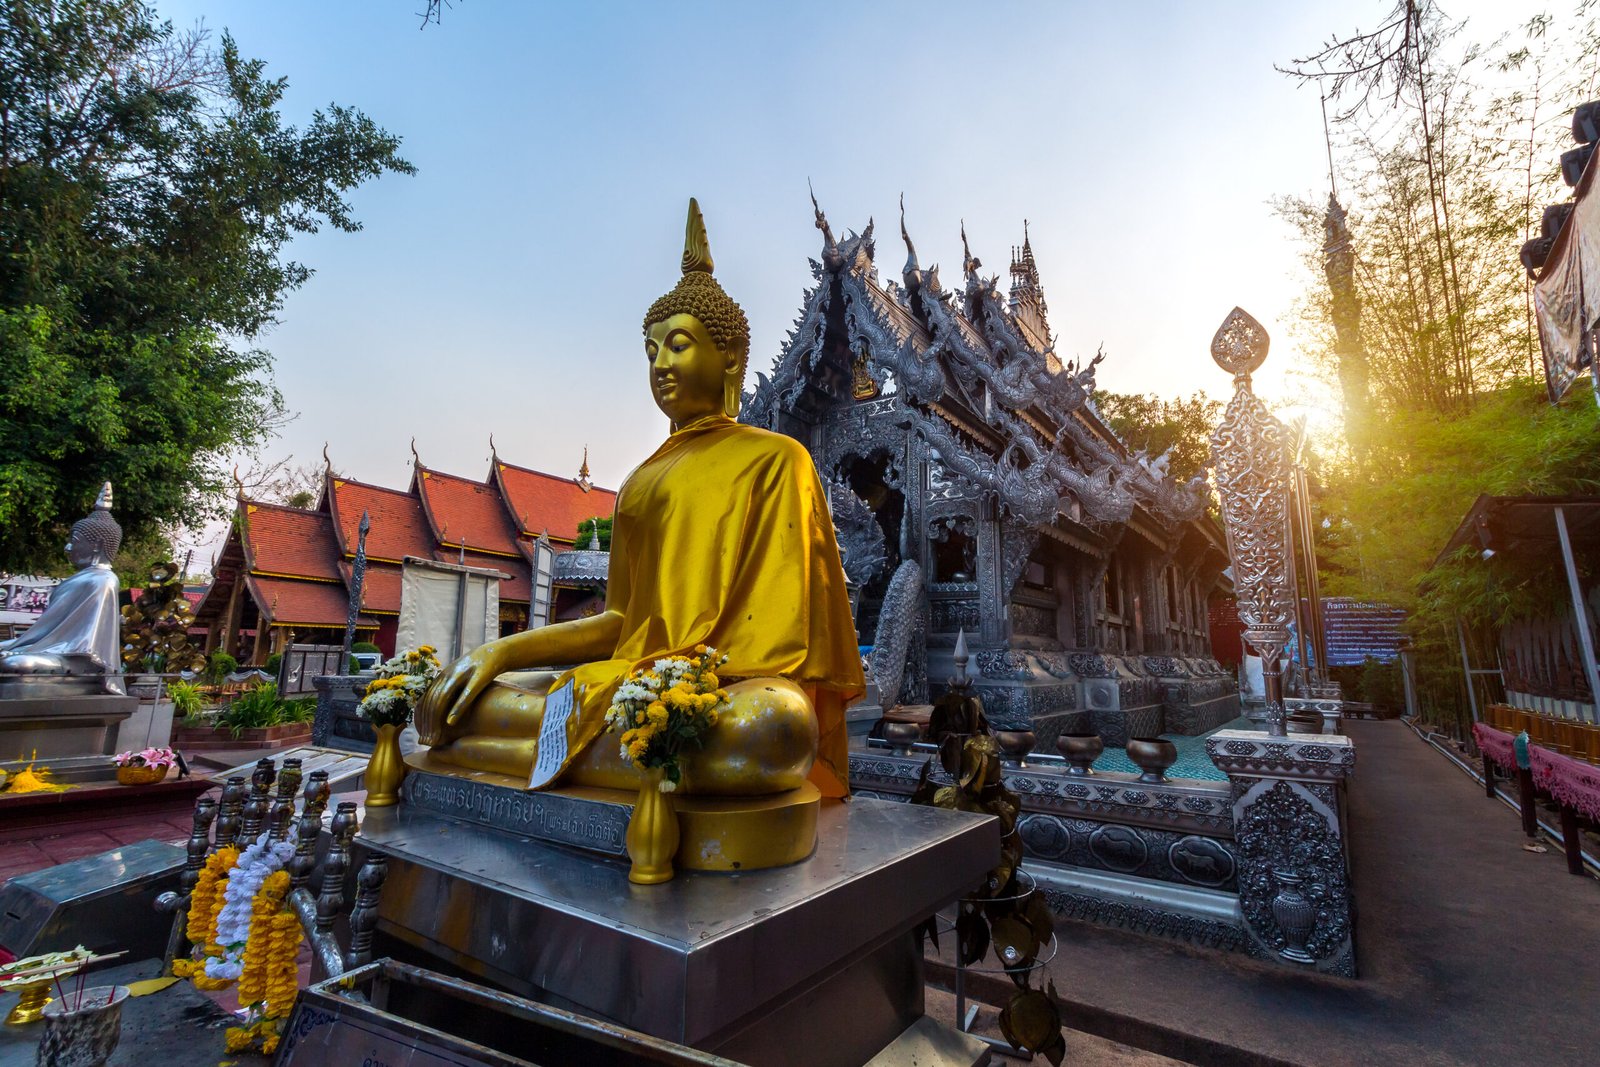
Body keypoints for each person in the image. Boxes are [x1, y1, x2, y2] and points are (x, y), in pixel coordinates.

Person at [415, 201, 864, 796]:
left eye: (678, 344)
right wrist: (498, 653)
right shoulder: (640, 483)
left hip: (731, 692)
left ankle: (521, 747)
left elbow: (782, 651)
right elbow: (622, 621)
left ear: (728, 356)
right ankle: (610, 749)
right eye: (650, 351)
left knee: (773, 727)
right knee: (460, 696)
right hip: (629, 683)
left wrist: (679, 686)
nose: (660, 365)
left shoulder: (779, 460)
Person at [0, 483, 125, 694]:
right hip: (52, 649)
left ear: (97, 545)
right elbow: (41, 635)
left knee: (17, 665)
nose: (68, 547)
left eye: (74, 541)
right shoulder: (78, 580)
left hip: (79, 657)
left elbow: (85, 642)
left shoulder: (104, 581)